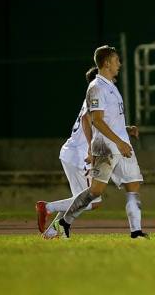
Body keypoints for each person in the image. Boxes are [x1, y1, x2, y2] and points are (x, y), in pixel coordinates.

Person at [55, 45, 147, 239]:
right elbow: (96, 120)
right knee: (95, 192)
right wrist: (119, 142)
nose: (119, 64)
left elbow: (111, 117)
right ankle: (64, 222)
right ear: (106, 63)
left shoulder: (110, 85)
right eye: (116, 60)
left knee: (134, 184)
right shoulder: (96, 87)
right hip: (105, 147)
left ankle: (136, 232)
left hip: (121, 145)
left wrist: (126, 130)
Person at [36, 67, 103, 239]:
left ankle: (53, 232)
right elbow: (85, 119)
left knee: (79, 199)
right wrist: (90, 148)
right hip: (80, 154)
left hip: (71, 152)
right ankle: (47, 207)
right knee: (92, 202)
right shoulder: (97, 95)